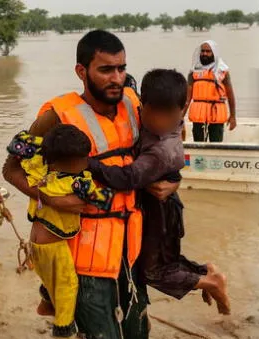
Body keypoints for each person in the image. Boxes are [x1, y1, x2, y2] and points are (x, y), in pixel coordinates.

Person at [2, 29, 179, 339]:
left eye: (122, 68)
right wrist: (51, 198)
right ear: (82, 71)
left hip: (131, 249)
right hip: (83, 257)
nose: (117, 78)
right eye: (106, 69)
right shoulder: (56, 116)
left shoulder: (134, 104)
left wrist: (173, 182)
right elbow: (10, 168)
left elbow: (162, 150)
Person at [87, 68, 231, 314]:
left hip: (161, 209)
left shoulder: (161, 150)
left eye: (169, 117)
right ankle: (205, 272)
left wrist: (87, 163)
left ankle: (209, 281)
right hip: (156, 202)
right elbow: (128, 83)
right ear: (142, 106)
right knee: (161, 260)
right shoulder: (145, 112)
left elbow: (128, 177)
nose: (161, 123)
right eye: (155, 115)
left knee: (152, 272)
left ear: (181, 110)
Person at [6, 126, 116, 339]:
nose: (86, 164)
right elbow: (104, 200)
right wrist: (105, 190)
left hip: (37, 243)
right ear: (64, 164)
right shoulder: (76, 182)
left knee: (50, 276)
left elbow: (19, 141)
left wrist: (41, 144)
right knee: (68, 284)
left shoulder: (39, 166)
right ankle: (63, 330)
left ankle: (46, 304)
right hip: (52, 245)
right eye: (82, 161)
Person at [182, 40, 237, 142]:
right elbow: (187, 98)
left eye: (208, 51)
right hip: (199, 115)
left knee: (216, 145)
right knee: (198, 145)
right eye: (202, 51)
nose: (204, 54)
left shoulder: (222, 71)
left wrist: (233, 116)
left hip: (216, 114)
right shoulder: (193, 72)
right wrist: (180, 117)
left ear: (214, 53)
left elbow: (230, 95)